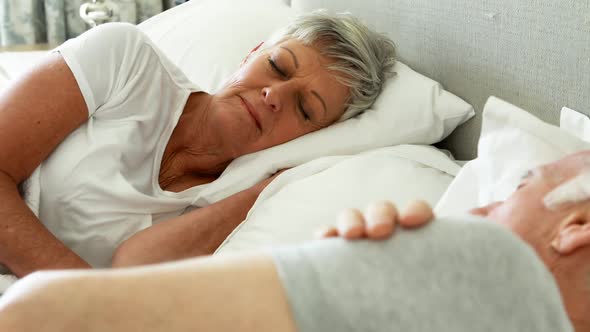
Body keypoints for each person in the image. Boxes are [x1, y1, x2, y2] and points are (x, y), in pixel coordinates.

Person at [1, 151, 589, 331]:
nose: (479, 204)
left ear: (578, 226)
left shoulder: (492, 269)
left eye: (519, 185)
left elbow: (39, 316)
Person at [0, 11, 396, 277]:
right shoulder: (125, 61)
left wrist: (262, 191)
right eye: (277, 67)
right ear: (253, 52)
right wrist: (79, 301)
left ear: (315, 135)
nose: (275, 95)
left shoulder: (245, 195)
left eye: (305, 109)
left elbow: (132, 267)